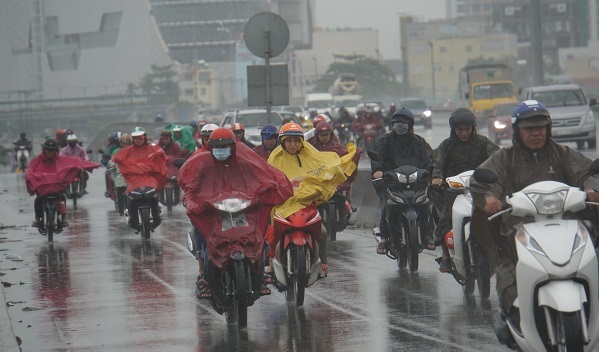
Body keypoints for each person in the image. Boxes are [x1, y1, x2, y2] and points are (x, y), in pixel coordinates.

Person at [469, 100, 599, 348]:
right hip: (518, 229)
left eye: (540, 127)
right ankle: (514, 313)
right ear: (517, 131)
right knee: (507, 265)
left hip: (567, 224)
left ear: (548, 129)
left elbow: (588, 173)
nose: (536, 133)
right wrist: (490, 198)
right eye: (529, 129)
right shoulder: (505, 158)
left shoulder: (563, 154)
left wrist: (592, 189)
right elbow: (485, 179)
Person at [177, 127, 293, 299]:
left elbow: (263, 178)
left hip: (244, 211)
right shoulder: (203, 165)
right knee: (211, 246)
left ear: (233, 146)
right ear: (210, 147)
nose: (221, 150)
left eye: (225, 146)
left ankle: (259, 279)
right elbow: (192, 189)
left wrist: (265, 191)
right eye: (217, 147)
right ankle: (209, 281)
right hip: (216, 214)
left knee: (258, 244)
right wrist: (195, 202)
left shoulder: (246, 162)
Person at [267, 122, 358, 277]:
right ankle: (270, 262)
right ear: (282, 141)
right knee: (271, 231)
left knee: (321, 232)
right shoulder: (275, 159)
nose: (293, 144)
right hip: (283, 206)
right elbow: (268, 179)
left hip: (307, 205)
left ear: (301, 141)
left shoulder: (311, 156)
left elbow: (326, 166)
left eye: (296, 141)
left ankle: (323, 262)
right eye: (289, 141)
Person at [429, 108, 500, 272]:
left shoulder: (482, 142)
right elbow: (437, 163)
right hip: (453, 190)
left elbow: (497, 156)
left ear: (473, 128)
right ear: (453, 129)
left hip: (480, 188)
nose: (464, 133)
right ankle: (446, 256)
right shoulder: (446, 146)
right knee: (444, 216)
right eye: (460, 130)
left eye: (467, 129)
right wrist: (437, 178)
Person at [371, 107, 435, 255]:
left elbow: (429, 158)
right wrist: (378, 170)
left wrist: (432, 172)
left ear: (411, 125)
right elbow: (377, 157)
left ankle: (428, 236)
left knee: (426, 204)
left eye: (404, 123)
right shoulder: (385, 140)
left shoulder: (418, 141)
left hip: (415, 182)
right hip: (392, 182)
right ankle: (385, 237)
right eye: (397, 123)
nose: (400, 126)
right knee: (386, 205)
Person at [26, 138, 100, 228]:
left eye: (52, 150)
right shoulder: (37, 160)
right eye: (48, 150)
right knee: (38, 200)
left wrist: (89, 165)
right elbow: (30, 170)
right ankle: (37, 219)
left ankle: (64, 218)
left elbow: (75, 162)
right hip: (43, 189)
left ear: (56, 150)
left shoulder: (61, 159)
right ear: (44, 150)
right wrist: (32, 177)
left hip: (57, 188)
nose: (50, 152)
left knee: (62, 198)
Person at [113, 127, 167, 230]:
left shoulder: (152, 148)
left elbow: (161, 154)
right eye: (136, 138)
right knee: (129, 196)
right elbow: (117, 157)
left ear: (144, 137)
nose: (139, 140)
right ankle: (131, 217)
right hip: (133, 179)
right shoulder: (127, 151)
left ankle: (156, 216)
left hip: (148, 178)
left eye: (141, 137)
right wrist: (113, 162)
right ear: (133, 139)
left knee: (154, 195)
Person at [309, 122, 362, 206]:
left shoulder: (338, 147)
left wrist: (356, 152)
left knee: (344, 192)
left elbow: (348, 154)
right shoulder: (311, 149)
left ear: (331, 134)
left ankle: (348, 205)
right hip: (318, 180)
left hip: (335, 180)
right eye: (322, 135)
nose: (324, 137)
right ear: (317, 135)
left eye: (326, 135)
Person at [101, 132, 122, 198]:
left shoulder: (129, 147)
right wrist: (109, 163)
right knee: (107, 173)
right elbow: (105, 159)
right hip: (115, 166)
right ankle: (109, 190)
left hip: (127, 166)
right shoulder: (111, 147)